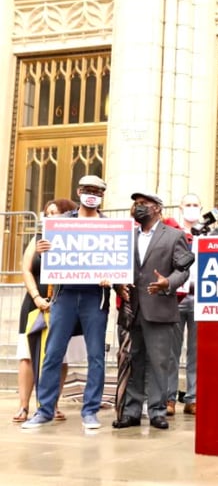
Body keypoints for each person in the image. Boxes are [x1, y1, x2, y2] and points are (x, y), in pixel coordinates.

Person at [22, 175, 117, 430]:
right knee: (52, 353)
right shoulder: (60, 223)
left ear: (103, 196)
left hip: (95, 298)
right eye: (87, 190)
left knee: (96, 356)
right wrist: (43, 249)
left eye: (97, 191)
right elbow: (40, 262)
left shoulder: (111, 227)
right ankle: (44, 410)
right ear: (78, 191)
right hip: (63, 296)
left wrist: (114, 278)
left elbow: (118, 263)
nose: (92, 194)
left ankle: (90, 412)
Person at [112, 192, 193, 431]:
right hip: (132, 309)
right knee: (134, 361)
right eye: (135, 204)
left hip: (159, 307)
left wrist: (168, 283)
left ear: (157, 208)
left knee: (159, 363)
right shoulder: (126, 235)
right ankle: (131, 411)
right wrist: (119, 285)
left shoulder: (174, 235)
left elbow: (183, 270)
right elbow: (117, 266)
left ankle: (157, 411)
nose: (137, 208)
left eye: (143, 204)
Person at [13, 198, 82, 423]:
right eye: (48, 213)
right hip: (35, 302)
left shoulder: (75, 241)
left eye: (56, 213)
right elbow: (26, 269)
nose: (50, 217)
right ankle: (24, 406)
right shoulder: (38, 239)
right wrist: (36, 297)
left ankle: (51, 404)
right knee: (27, 356)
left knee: (59, 356)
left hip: (63, 303)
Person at [166, 193, 201, 417]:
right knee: (171, 351)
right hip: (177, 297)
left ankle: (193, 397)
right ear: (180, 207)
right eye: (187, 204)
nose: (191, 208)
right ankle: (168, 398)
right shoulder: (172, 234)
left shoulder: (207, 233)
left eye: (195, 205)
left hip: (201, 298)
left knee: (196, 352)